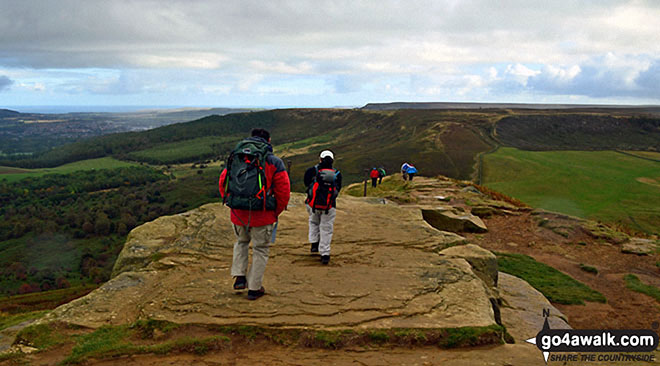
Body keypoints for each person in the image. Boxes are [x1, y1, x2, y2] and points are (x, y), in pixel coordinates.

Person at [219, 128, 290, 300]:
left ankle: (239, 277)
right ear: (269, 140)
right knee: (260, 249)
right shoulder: (273, 162)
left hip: (238, 213)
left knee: (241, 242)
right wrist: (275, 212)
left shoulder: (237, 157)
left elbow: (224, 182)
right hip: (263, 214)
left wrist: (233, 204)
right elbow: (283, 191)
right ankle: (254, 288)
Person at [304, 150, 342, 265]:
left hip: (312, 204)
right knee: (326, 228)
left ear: (320, 159)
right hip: (330, 205)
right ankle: (325, 254)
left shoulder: (312, 171)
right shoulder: (337, 174)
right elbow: (338, 189)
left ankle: (314, 244)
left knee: (313, 222)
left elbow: (306, 183)